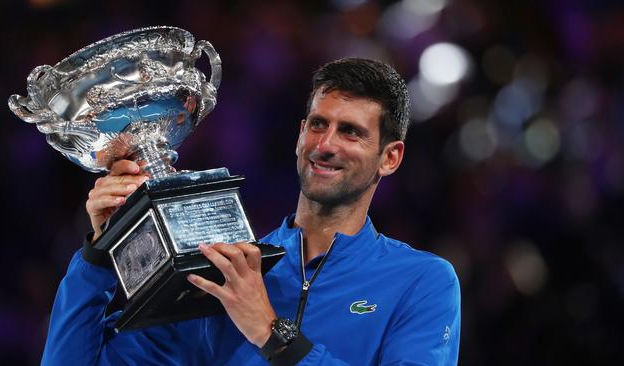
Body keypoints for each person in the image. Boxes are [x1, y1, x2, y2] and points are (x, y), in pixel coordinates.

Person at [42, 58, 461, 365]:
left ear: (390, 158)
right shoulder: (228, 274)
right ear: (300, 135)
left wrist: (271, 333)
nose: (326, 144)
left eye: (351, 132)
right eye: (318, 124)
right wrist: (99, 255)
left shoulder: (421, 281)